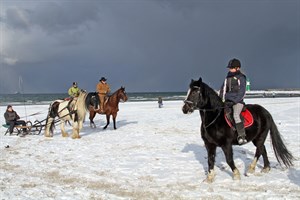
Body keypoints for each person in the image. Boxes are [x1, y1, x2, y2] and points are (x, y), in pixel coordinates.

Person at [219, 58, 247, 145]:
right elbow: (223, 90)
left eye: (231, 68)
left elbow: (242, 92)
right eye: (229, 68)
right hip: (227, 101)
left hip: (238, 102)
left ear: (237, 68)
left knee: (235, 114)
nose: (230, 70)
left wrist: (234, 101)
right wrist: (221, 100)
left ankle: (242, 136)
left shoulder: (241, 78)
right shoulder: (227, 78)